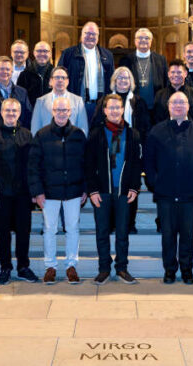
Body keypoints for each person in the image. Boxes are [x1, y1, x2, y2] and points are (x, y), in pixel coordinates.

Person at [144, 91, 193, 284]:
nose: (178, 106)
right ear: (168, 106)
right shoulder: (156, 131)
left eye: (182, 103)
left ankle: (186, 269)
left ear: (188, 106)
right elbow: (148, 161)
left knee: (188, 235)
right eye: (174, 102)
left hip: (190, 194)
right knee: (167, 236)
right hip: (165, 193)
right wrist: (154, 182)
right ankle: (169, 270)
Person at [28, 97, 88, 285]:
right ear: (53, 112)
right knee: (49, 229)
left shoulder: (79, 135)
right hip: (49, 192)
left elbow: (87, 165)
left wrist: (85, 189)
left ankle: (71, 266)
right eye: (58, 110)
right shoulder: (42, 135)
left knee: (72, 229)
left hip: (73, 190)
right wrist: (37, 191)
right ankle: (50, 267)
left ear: (71, 112)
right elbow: (33, 166)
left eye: (65, 110)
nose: (61, 113)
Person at [85, 94, 142, 285]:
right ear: (105, 110)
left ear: (123, 110)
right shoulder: (96, 134)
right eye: (111, 108)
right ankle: (103, 269)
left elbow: (136, 163)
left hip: (123, 191)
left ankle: (122, 268)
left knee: (122, 233)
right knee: (102, 231)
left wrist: (135, 187)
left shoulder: (132, 134)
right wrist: (92, 190)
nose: (115, 111)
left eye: (118, 107)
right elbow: (88, 164)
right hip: (101, 191)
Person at [0, 98, 38, 285]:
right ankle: (5, 267)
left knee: (24, 232)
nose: (11, 114)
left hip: (23, 194)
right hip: (1, 193)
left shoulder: (27, 135)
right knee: (3, 233)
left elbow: (32, 166)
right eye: (8, 110)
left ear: (19, 113)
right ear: (2, 112)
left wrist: (33, 191)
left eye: (14, 111)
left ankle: (23, 266)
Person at [90, 66, 151, 234]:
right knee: (109, 185)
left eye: (126, 78)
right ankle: (110, 223)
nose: (123, 81)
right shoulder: (103, 101)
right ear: (114, 81)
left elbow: (145, 129)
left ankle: (129, 223)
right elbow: (96, 124)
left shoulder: (138, 102)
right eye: (119, 78)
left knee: (130, 184)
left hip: (130, 148)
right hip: (108, 147)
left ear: (131, 82)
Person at [58, 21, 114, 120]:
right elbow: (59, 79)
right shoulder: (68, 54)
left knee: (96, 134)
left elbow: (112, 81)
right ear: (81, 35)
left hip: (100, 106)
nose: (90, 36)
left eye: (94, 34)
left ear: (98, 36)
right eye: (87, 33)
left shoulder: (107, 55)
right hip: (75, 105)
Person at [119, 28, 168, 115]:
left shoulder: (161, 60)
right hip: (133, 108)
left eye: (147, 38)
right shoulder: (126, 60)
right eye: (140, 38)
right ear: (135, 41)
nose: (143, 40)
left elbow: (166, 82)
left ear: (151, 41)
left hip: (156, 108)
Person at [31, 66, 89, 136]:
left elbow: (83, 129)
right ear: (50, 81)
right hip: (46, 144)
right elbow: (35, 130)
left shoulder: (78, 101)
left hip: (71, 143)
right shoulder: (40, 101)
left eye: (63, 78)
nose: (60, 80)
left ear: (68, 81)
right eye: (57, 77)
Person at [153, 59, 193, 125]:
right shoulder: (160, 95)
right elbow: (156, 119)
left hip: (190, 132)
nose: (175, 75)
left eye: (179, 72)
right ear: (168, 74)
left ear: (185, 73)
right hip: (166, 133)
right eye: (172, 72)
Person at [17, 41, 54, 107]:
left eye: (45, 51)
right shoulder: (24, 75)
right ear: (34, 53)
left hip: (52, 114)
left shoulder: (56, 74)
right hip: (31, 115)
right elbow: (20, 99)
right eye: (39, 51)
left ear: (50, 54)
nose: (42, 54)